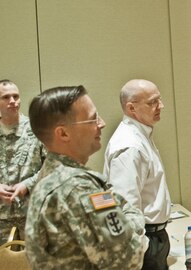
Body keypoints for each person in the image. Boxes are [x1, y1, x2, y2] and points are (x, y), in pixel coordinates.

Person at [25, 85, 149, 269]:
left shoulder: (48, 176)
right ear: (63, 133)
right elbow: (128, 259)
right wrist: (135, 217)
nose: (102, 124)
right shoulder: (78, 187)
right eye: (92, 119)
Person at [104, 79, 171, 270]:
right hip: (146, 241)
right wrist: (144, 247)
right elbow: (125, 206)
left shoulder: (140, 135)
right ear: (131, 108)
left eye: (159, 99)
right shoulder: (130, 146)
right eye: (152, 102)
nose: (161, 106)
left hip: (154, 236)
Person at [0, 79, 45, 244]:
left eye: (15, 96)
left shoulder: (37, 129)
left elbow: (52, 166)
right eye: (5, 97)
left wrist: (28, 184)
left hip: (31, 216)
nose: (12, 101)